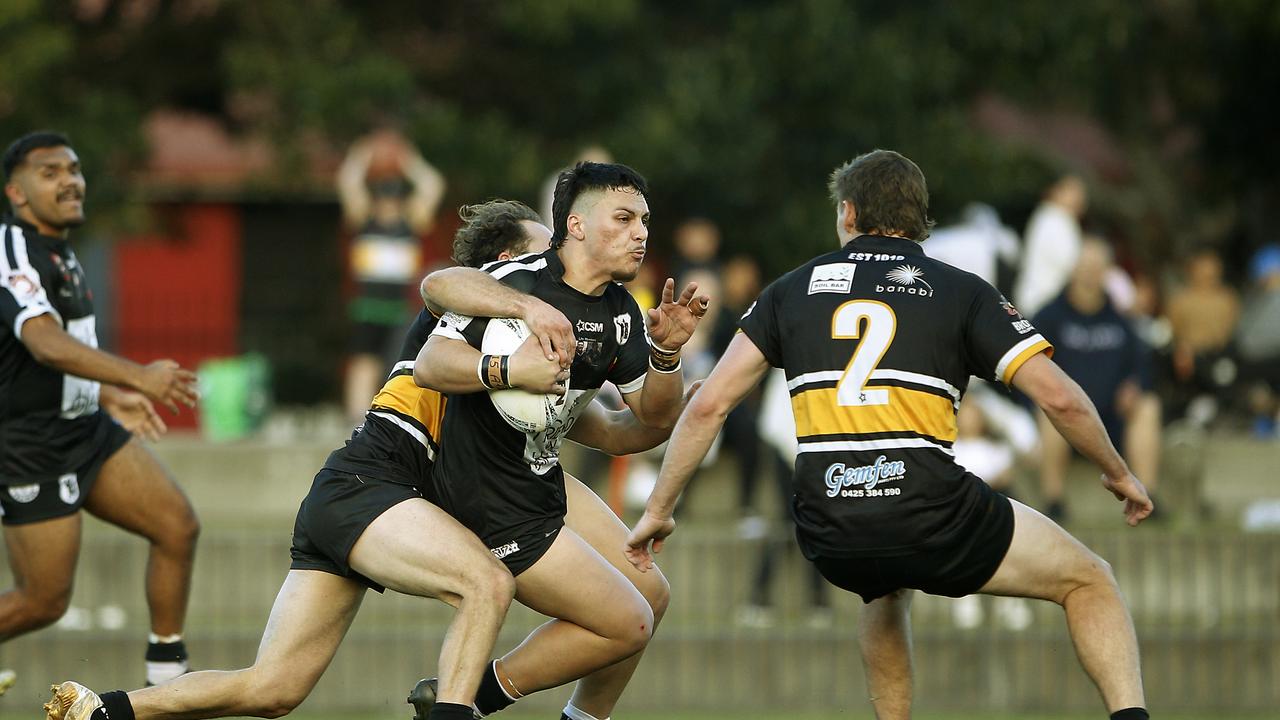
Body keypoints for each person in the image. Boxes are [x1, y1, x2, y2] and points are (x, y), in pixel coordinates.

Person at [44, 200, 680, 720]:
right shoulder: (464, 319)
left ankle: (103, 710)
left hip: (372, 500)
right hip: (368, 487)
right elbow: (441, 285)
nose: (554, 272)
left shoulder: (530, 371)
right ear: (507, 268)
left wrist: (688, 390)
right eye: (541, 258)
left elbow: (613, 431)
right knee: (485, 582)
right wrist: (523, 309)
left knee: (272, 689)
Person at [626, 150, 1154, 720]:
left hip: (829, 523)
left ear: (848, 213)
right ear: (920, 218)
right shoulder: (960, 291)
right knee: (1091, 581)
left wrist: (659, 507)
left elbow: (708, 407)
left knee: (883, 585)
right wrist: (1120, 472)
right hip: (928, 506)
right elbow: (1059, 397)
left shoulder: (790, 290)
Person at [414, 162, 709, 720]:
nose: (640, 232)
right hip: (486, 492)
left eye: (644, 220)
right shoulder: (518, 283)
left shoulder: (621, 310)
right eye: (623, 219)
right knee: (629, 621)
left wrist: (668, 356)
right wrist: (508, 370)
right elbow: (431, 365)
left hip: (541, 475)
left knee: (653, 595)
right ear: (574, 224)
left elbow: (648, 419)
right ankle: (473, 696)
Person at [1, 131, 201, 692]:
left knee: (176, 526)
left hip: (84, 428)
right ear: (16, 193)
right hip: (30, 444)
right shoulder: (11, 248)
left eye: (75, 168)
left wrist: (107, 395)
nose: (69, 180)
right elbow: (42, 342)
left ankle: (168, 684)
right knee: (43, 601)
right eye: (50, 172)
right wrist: (138, 376)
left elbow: (44, 355)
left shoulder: (61, 250)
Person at [1032, 238, 1162, 522]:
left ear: (1107, 272)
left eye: (1097, 266)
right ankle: (1053, 501)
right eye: (1085, 266)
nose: (1090, 273)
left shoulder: (1120, 319)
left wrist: (1135, 387)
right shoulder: (1048, 317)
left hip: (1111, 421)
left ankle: (1147, 495)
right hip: (1065, 423)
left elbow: (1142, 367)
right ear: (1073, 269)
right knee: (1050, 405)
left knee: (1148, 405)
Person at [338, 129, 446, 422]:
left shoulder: (411, 221)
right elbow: (347, 182)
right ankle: (355, 420)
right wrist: (363, 155)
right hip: (368, 304)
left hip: (401, 306)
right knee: (363, 362)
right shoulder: (363, 219)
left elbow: (433, 185)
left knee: (399, 362)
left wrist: (409, 160)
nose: (389, 205)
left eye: (394, 199)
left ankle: (393, 416)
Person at [1014, 174, 1088, 319]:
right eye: (1074, 192)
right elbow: (1073, 263)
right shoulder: (1056, 218)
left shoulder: (1047, 216)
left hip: (1035, 300)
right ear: (1058, 192)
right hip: (1045, 302)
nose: (1080, 199)